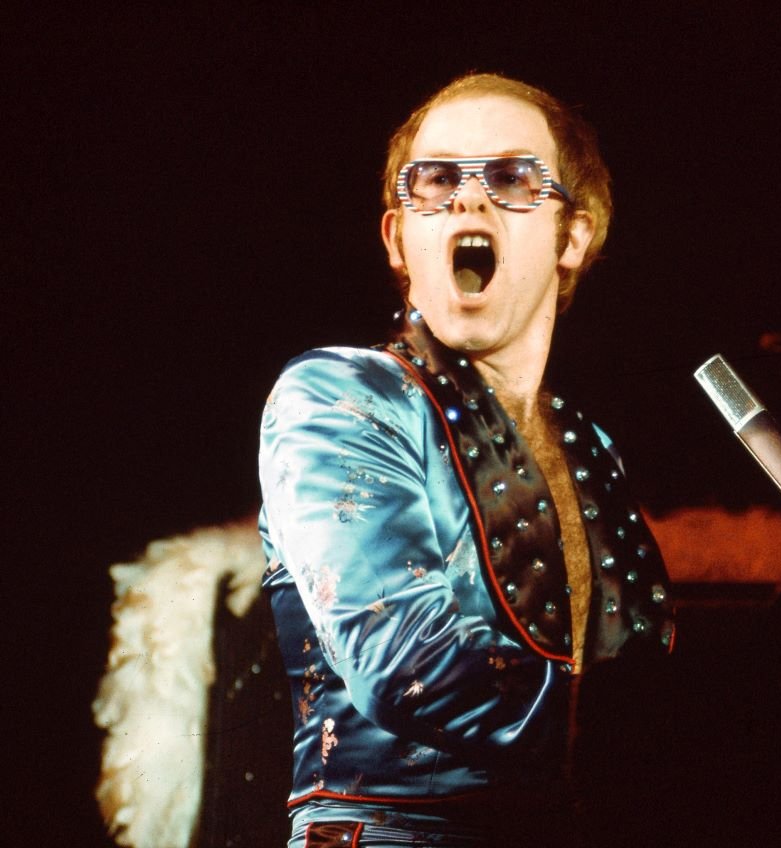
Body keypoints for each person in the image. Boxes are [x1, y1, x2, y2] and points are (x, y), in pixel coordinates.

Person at [258, 73, 675, 847]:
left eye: (515, 179)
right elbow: (402, 660)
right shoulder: (339, 396)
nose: (469, 201)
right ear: (397, 239)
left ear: (573, 237)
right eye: (438, 179)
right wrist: (693, 738)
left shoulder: (592, 447)